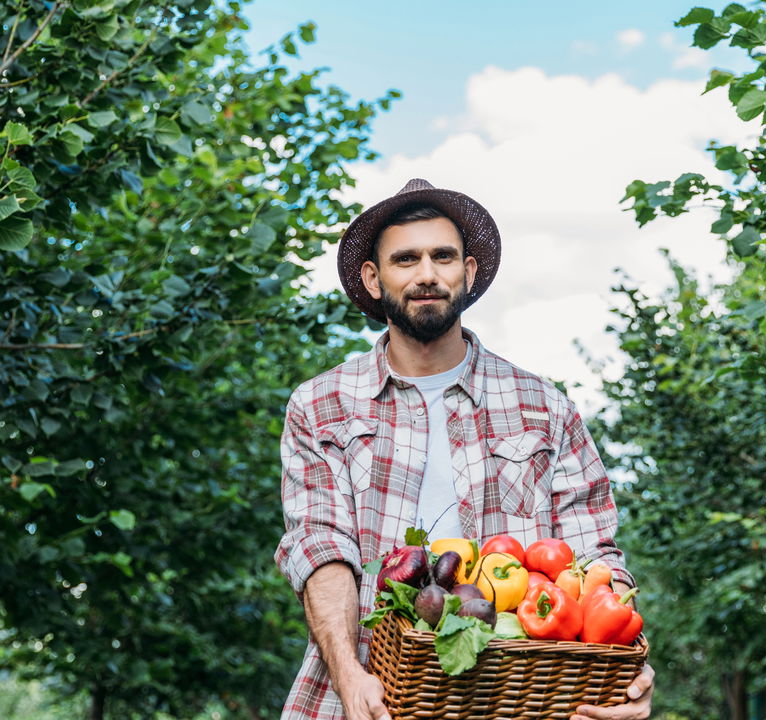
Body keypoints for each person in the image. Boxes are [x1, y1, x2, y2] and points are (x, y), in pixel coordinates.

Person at [275, 179, 655, 720]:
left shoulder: (544, 407)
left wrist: (627, 671)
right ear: (374, 278)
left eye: (443, 256)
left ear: (469, 272)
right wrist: (348, 674)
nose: (426, 274)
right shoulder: (321, 405)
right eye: (405, 259)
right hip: (364, 695)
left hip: (521, 697)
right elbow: (321, 547)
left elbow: (594, 557)